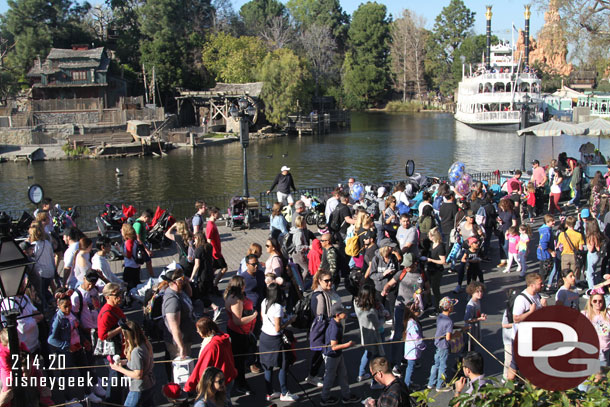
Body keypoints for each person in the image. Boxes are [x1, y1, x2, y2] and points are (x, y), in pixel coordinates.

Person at [259, 283, 299, 402]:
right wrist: (290, 321)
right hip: (275, 339)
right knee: (283, 365)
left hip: (264, 336)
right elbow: (278, 328)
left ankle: (269, 392)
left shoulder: (264, 302)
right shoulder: (277, 307)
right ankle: (284, 392)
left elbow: (263, 317)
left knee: (268, 366)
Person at [381, 254, 423, 365]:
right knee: (398, 334)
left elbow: (427, 289)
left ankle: (409, 357)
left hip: (412, 310)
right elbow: (389, 284)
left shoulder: (421, 275)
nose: (406, 268)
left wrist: (421, 294)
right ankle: (394, 361)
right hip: (400, 307)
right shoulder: (402, 273)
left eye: (408, 266)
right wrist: (385, 290)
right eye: (405, 266)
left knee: (411, 334)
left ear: (415, 264)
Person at [319, 302, 361, 406]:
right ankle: (324, 398)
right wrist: (348, 345)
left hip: (337, 354)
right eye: (343, 312)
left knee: (343, 374)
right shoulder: (335, 328)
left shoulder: (336, 323)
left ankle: (346, 395)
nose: (346, 313)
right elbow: (333, 346)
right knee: (330, 377)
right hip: (331, 355)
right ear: (337, 315)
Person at [184, 317, 237, 398]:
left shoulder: (210, 346)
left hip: (216, 381)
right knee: (226, 399)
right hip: (228, 374)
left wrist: (189, 386)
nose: (197, 331)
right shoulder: (222, 338)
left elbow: (203, 367)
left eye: (199, 329)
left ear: (204, 330)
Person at [507, 272, 546, 381]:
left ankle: (526, 386)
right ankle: (507, 388)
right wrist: (530, 312)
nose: (542, 285)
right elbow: (516, 318)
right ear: (532, 285)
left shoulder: (537, 296)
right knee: (515, 365)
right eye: (540, 283)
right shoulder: (522, 299)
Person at [223, 276, 258, 395]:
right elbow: (237, 321)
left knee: (239, 358)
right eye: (243, 284)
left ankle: (239, 380)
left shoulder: (233, 296)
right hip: (239, 333)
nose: (245, 286)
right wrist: (254, 316)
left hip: (241, 331)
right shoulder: (236, 301)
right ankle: (241, 384)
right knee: (239, 360)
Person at [306, 270, 340, 387]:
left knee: (322, 354)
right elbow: (319, 316)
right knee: (319, 354)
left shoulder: (327, 292)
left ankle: (319, 374)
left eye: (331, 280)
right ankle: (312, 376)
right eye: (326, 281)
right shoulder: (319, 296)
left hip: (327, 328)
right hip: (322, 330)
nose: (330, 283)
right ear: (320, 281)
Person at [110, 321, 155, 407]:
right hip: (149, 385)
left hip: (139, 388)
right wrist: (125, 362)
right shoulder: (145, 344)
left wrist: (119, 369)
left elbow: (138, 375)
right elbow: (142, 363)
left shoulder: (136, 352)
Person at [98, 283, 127, 403]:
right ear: (107, 297)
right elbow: (102, 335)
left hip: (119, 349)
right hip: (113, 351)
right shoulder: (107, 313)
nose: (120, 297)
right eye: (116, 295)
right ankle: (112, 403)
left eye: (120, 294)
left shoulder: (115, 307)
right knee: (115, 379)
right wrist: (120, 329)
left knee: (118, 380)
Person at [354, 283, 386, 388]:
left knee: (367, 353)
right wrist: (383, 317)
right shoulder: (371, 311)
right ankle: (375, 381)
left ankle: (361, 373)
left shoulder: (356, 303)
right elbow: (378, 324)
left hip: (365, 333)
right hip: (375, 334)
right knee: (376, 358)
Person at [161, 269, 197, 362]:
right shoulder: (172, 300)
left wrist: (187, 283)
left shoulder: (180, 291)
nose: (184, 280)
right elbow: (174, 327)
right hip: (178, 343)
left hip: (186, 337)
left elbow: (190, 294)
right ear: (175, 282)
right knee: (181, 370)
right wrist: (181, 347)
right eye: (182, 278)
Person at [427, 297, 458, 392]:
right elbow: (448, 337)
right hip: (444, 345)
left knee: (436, 364)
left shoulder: (440, 316)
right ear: (449, 308)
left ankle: (431, 383)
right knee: (443, 365)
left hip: (437, 343)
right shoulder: (449, 321)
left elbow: (444, 329)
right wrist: (456, 334)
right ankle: (439, 385)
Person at [582, 290, 610, 379]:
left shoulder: (607, 314)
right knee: (591, 380)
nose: (598, 303)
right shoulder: (585, 315)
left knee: (601, 380)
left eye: (600, 301)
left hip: (605, 351)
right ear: (590, 302)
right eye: (595, 301)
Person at [28, 222, 55, 309]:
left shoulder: (33, 246)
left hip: (41, 272)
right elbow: (52, 256)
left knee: (40, 292)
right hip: (50, 270)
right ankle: (52, 301)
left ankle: (45, 307)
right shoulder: (47, 243)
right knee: (45, 289)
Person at [402, 302, 424, 389]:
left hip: (410, 348)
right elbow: (417, 339)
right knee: (410, 368)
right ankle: (406, 385)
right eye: (418, 309)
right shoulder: (413, 324)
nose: (420, 310)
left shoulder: (409, 320)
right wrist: (422, 345)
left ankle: (408, 382)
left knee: (410, 366)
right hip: (412, 350)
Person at [206, 207, 228, 289]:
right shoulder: (211, 225)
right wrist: (211, 252)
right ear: (213, 214)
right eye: (217, 213)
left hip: (216, 251)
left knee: (214, 268)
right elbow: (209, 240)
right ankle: (214, 284)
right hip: (215, 252)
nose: (219, 214)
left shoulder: (212, 223)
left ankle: (209, 281)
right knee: (224, 268)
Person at [463, 282, 487, 352]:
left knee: (471, 347)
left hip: (475, 328)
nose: (480, 293)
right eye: (477, 292)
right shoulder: (471, 305)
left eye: (481, 291)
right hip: (470, 330)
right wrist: (479, 318)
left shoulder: (478, 301)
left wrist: (481, 315)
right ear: (472, 292)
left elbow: (477, 314)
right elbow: (467, 320)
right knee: (468, 349)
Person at [132, 210, 154, 278]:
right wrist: (147, 250)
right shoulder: (138, 224)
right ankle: (152, 276)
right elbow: (138, 239)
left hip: (143, 244)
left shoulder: (142, 222)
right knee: (147, 261)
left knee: (147, 262)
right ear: (145, 217)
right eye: (149, 219)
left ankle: (150, 276)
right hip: (140, 246)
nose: (149, 220)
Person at [497, 198, 517, 268]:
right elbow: (499, 219)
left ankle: (509, 260)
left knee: (506, 246)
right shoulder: (501, 212)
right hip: (501, 230)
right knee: (501, 245)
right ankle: (503, 260)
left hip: (508, 231)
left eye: (502, 206)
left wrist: (510, 230)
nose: (501, 207)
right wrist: (499, 221)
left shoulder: (511, 212)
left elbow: (514, 223)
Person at [537, 215, 556, 289]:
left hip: (542, 254)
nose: (554, 222)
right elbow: (544, 245)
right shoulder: (546, 231)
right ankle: (540, 288)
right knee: (544, 272)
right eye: (552, 221)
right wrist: (551, 251)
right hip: (545, 254)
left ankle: (540, 286)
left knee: (543, 271)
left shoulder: (546, 229)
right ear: (547, 222)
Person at [122, 223, 142, 291]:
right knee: (136, 282)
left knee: (127, 283)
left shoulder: (128, 242)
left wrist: (121, 252)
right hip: (136, 265)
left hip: (130, 266)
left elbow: (129, 255)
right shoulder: (135, 241)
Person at [586, 221, 604, 290]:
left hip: (592, 255)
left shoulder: (591, 236)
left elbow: (590, 249)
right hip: (597, 255)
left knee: (590, 274)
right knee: (593, 271)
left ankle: (591, 290)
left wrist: (587, 244)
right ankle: (596, 286)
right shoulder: (599, 234)